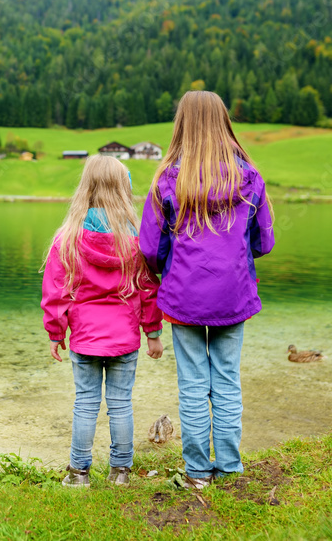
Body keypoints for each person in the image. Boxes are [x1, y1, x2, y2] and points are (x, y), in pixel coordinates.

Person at [139, 90, 275, 490]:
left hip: (184, 296)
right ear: (223, 123)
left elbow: (149, 246)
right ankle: (230, 468)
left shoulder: (167, 178)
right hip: (234, 294)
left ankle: (198, 472)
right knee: (228, 379)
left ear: (182, 124)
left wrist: (168, 266)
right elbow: (264, 243)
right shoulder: (248, 176)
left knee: (194, 384)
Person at [42, 154, 164, 487]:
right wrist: (153, 332)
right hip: (124, 338)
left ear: (86, 188)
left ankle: (78, 474)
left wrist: (56, 334)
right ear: (124, 189)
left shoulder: (67, 239)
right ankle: (120, 473)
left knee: (85, 404)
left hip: (85, 338)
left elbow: (56, 293)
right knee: (121, 404)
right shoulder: (137, 240)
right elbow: (148, 290)